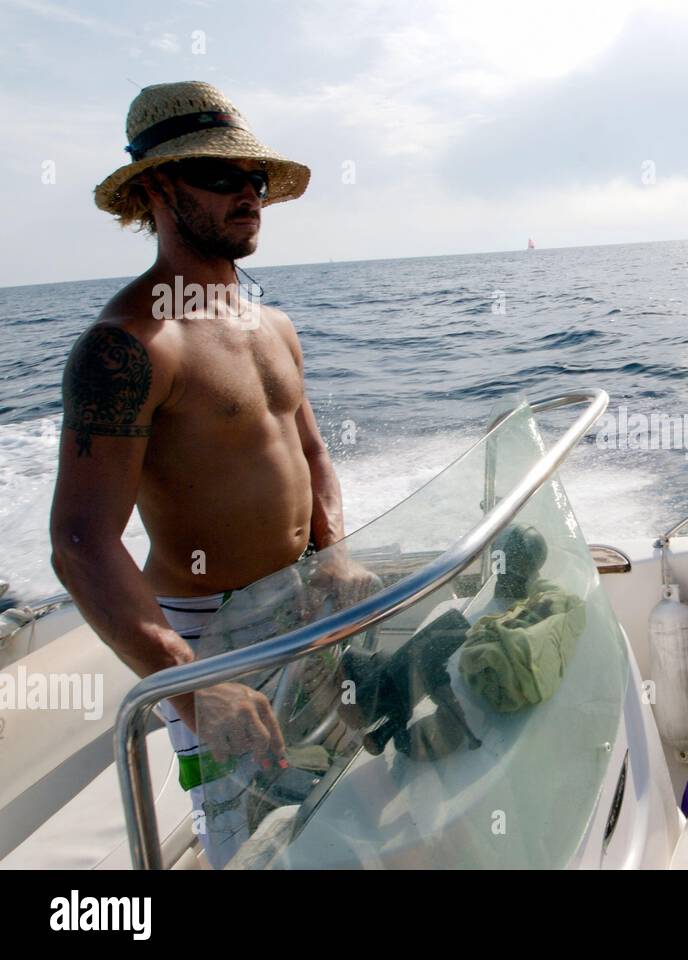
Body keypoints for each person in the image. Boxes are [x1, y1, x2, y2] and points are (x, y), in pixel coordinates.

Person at [49, 80, 371, 867]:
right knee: (254, 840)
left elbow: (313, 455)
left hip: (304, 599)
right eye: (222, 177)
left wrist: (334, 551)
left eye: (254, 179)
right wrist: (189, 687)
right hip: (206, 635)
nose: (249, 196)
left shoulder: (274, 325)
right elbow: (82, 540)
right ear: (157, 188)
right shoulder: (128, 346)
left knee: (337, 799)